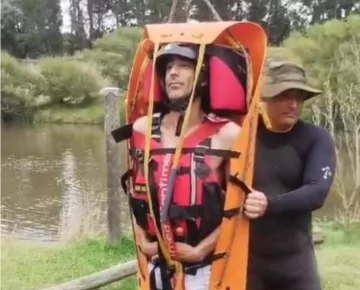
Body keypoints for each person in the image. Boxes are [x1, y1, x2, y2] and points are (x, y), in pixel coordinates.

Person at [131, 43, 241, 290]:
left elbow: (239, 206)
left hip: (203, 271)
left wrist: (201, 250)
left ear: (202, 77)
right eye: (169, 67)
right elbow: (135, 196)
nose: (172, 73)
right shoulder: (142, 129)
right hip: (155, 266)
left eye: (183, 66)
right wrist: (142, 242)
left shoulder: (227, 134)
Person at [244, 59, 336, 290]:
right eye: (285, 95)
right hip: (249, 264)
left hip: (296, 263)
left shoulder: (316, 138)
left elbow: (317, 191)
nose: (293, 104)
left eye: (299, 97)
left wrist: (269, 204)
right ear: (267, 97)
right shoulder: (244, 137)